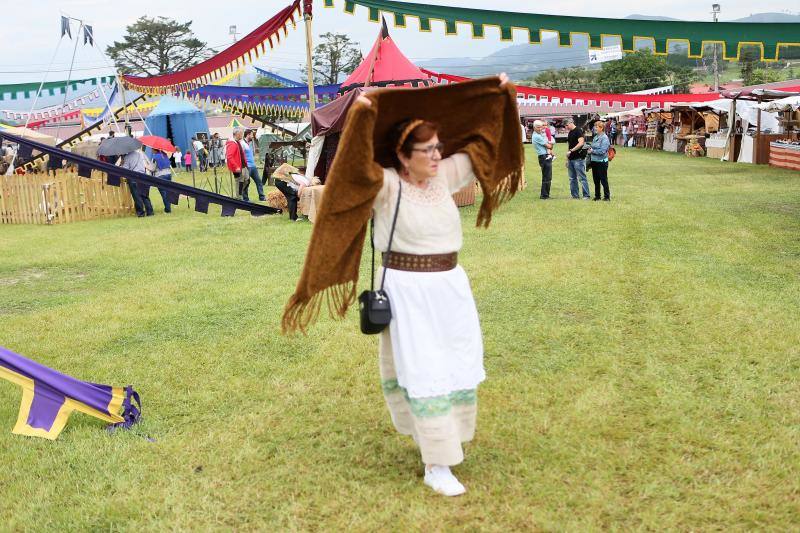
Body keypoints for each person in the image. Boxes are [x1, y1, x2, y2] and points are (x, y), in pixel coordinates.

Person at [119, 147, 154, 217]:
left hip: (134, 177)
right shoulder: (139, 154)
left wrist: (122, 164)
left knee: (137, 196)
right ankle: (150, 212)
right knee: (145, 195)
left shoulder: (127, 157)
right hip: (143, 175)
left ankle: (141, 213)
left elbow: (125, 169)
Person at [565, 119, 590, 200]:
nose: (566, 127)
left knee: (582, 178)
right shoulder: (570, 132)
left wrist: (572, 150)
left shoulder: (578, 131)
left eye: (566, 125)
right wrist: (567, 159)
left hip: (578, 158)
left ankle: (586, 195)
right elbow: (569, 146)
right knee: (572, 178)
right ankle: (575, 195)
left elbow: (581, 143)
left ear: (570, 123)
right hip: (571, 159)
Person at [587, 120, 611, 201]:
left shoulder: (605, 138)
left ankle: (607, 197)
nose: (595, 128)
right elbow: (593, 147)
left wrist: (592, 151)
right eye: (595, 127)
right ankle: (597, 196)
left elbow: (603, 151)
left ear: (601, 128)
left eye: (596, 127)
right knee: (596, 180)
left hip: (602, 162)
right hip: (594, 161)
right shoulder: (595, 137)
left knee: (603, 179)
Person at [530, 120, 553, 199]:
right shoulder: (537, 136)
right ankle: (544, 196)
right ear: (534, 127)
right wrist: (550, 145)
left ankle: (545, 195)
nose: (540, 129)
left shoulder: (538, 135)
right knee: (547, 177)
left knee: (547, 177)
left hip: (544, 156)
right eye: (538, 127)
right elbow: (549, 146)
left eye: (541, 127)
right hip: (544, 157)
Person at [225, 127, 249, 200]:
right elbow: (229, 157)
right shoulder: (232, 143)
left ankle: (239, 195)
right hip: (238, 167)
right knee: (239, 182)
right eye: (241, 133)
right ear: (237, 134)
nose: (242, 135)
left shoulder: (238, 142)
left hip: (243, 166)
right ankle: (239, 198)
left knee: (247, 180)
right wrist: (236, 166)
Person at [243, 130, 266, 201]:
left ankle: (262, 197)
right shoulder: (242, 143)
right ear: (248, 135)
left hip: (253, 166)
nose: (253, 136)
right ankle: (246, 199)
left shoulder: (248, 143)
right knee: (246, 183)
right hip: (247, 167)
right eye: (252, 135)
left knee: (259, 181)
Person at [152, 149, 173, 213]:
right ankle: (168, 207)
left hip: (160, 175)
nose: (151, 150)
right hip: (168, 174)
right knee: (168, 192)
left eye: (152, 149)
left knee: (164, 193)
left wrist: (146, 166)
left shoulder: (155, 157)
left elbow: (153, 168)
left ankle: (167, 209)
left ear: (155, 150)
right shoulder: (164, 155)